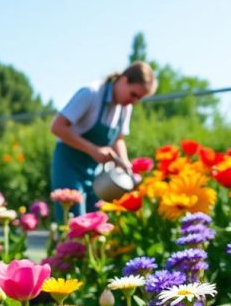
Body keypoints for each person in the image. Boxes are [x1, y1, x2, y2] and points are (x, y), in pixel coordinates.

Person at [50, 61, 156, 219]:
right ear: (123, 80)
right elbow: (57, 127)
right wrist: (92, 149)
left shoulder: (125, 107)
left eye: (138, 98)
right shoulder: (91, 93)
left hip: (96, 173)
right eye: (133, 94)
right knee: (73, 221)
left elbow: (118, 139)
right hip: (69, 165)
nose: (134, 101)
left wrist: (125, 162)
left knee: (96, 222)